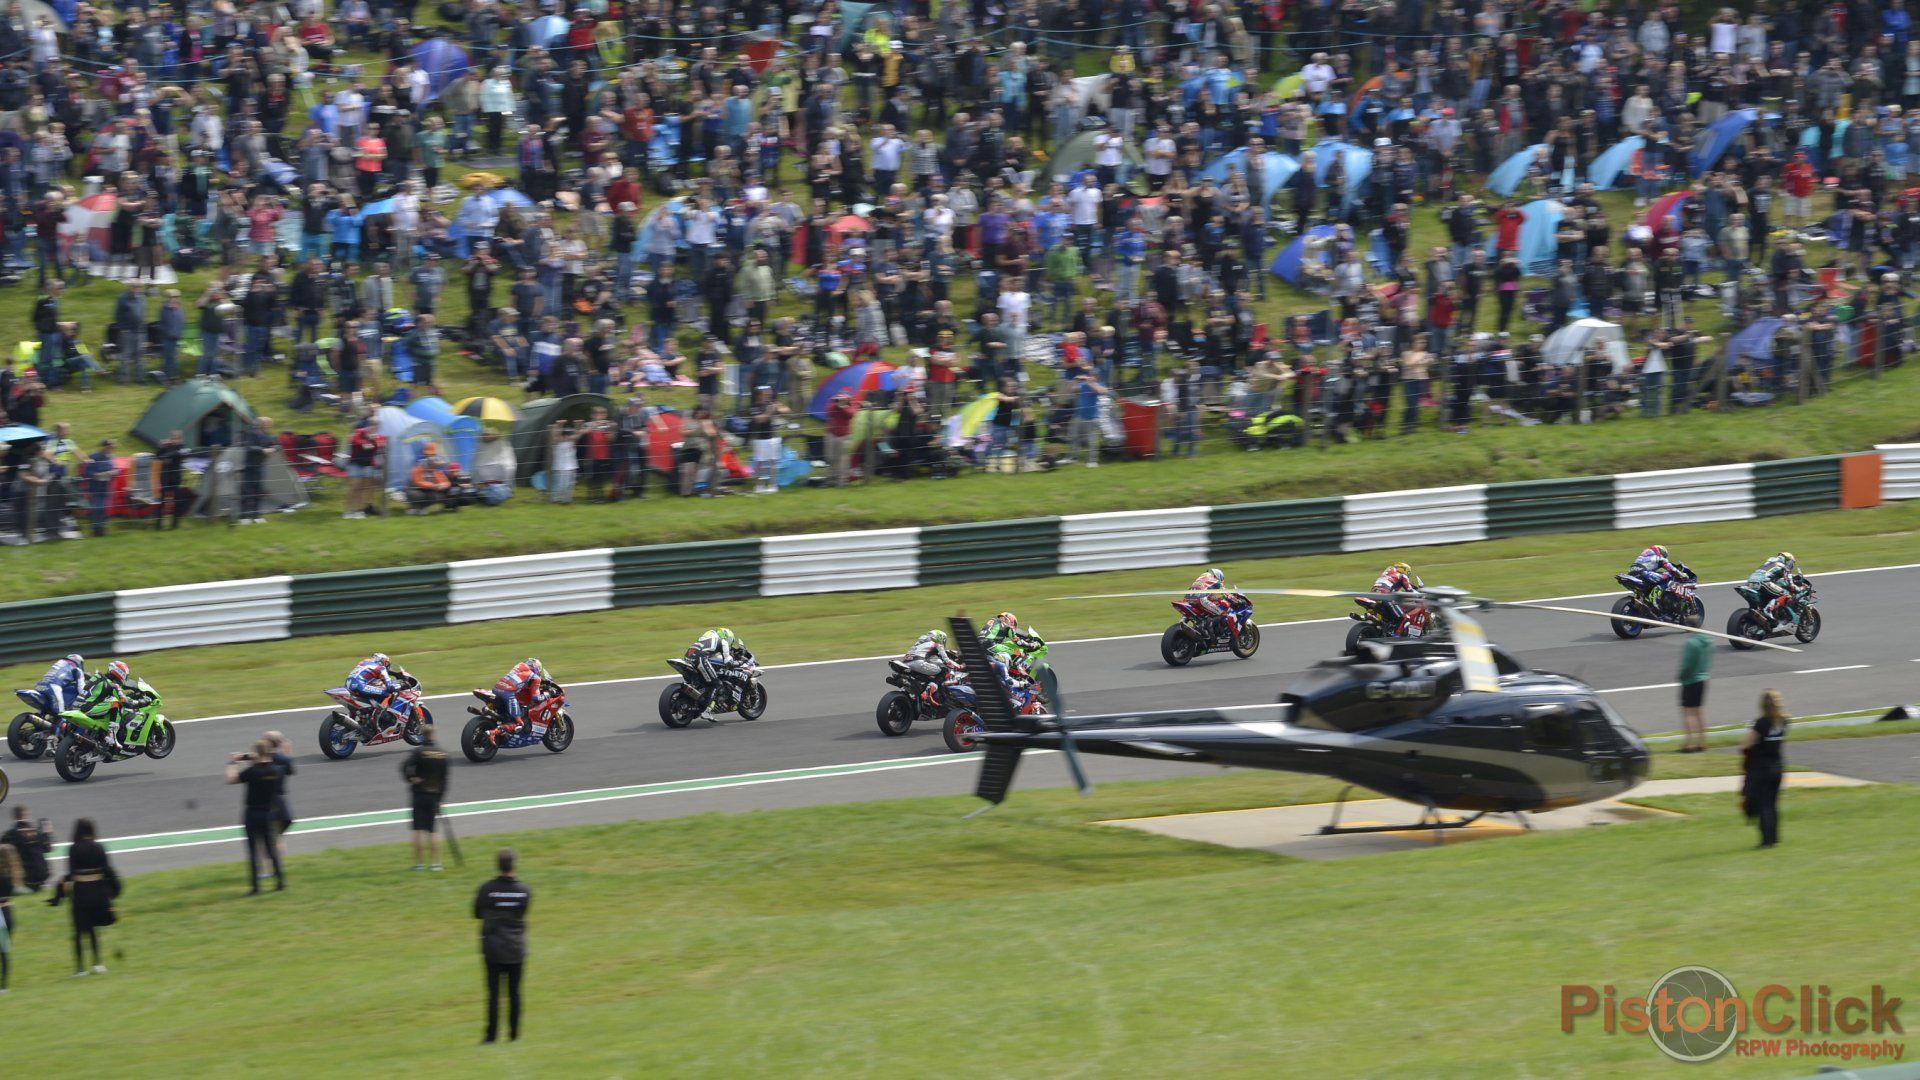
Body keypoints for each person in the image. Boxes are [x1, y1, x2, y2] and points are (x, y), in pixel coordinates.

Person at [474, 847, 531, 1044]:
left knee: (493, 993)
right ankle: (514, 1035)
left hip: (493, 947)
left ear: (497, 865)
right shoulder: (524, 890)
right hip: (516, 946)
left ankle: (491, 1036)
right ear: (514, 866)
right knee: (515, 992)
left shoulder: (487, 889)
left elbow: (476, 912)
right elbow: (522, 912)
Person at [48, 818, 119, 975]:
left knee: (79, 931)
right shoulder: (99, 848)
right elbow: (108, 871)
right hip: (98, 893)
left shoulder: (74, 849)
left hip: (80, 894)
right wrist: (114, 891)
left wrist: (58, 895)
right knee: (94, 930)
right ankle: (97, 963)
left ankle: (80, 968)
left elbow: (71, 874)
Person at [227, 739, 286, 893]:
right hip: (268, 813)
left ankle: (255, 887)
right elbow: (267, 762)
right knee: (271, 850)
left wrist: (232, 763)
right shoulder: (276, 771)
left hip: (252, 814)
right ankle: (280, 882)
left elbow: (231, 779)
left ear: (257, 753)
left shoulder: (252, 772)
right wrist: (256, 757)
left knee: (253, 852)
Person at [1741, 689, 1789, 848]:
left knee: (1764, 805)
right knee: (1773, 804)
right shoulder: (1784, 721)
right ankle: (1775, 837)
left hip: (1762, 768)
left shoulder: (1762, 723)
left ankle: (1766, 841)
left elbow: (1746, 744)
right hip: (1778, 766)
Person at [402, 725, 450, 871]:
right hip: (434, 795)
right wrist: (440, 799)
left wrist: (412, 778)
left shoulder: (419, 752)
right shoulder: (442, 754)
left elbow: (404, 766)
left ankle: (419, 864)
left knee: (418, 830)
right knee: (433, 831)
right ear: (433, 736)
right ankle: (436, 864)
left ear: (423, 736)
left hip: (419, 794)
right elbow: (444, 780)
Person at [689, 628, 756, 719]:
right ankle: (707, 711)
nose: (730, 645)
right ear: (728, 638)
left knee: (705, 683)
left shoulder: (707, 638)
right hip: (701, 659)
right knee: (717, 683)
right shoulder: (723, 642)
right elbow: (729, 662)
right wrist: (740, 662)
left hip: (689, 657)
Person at [345, 653, 412, 727]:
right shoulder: (381, 667)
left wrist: (394, 675)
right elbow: (390, 687)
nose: (387, 666)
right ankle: (380, 718)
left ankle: (361, 717)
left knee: (378, 692)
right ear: (382, 661)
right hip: (360, 686)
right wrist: (402, 685)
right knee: (388, 693)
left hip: (349, 686)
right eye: (386, 663)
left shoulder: (364, 663)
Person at [491, 658, 553, 736]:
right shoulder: (535, 678)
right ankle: (493, 733)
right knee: (519, 723)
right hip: (508, 694)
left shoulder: (520, 667)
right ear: (537, 669)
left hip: (496, 689)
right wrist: (547, 695)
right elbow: (535, 698)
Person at [1746, 552, 1807, 629]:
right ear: (1787, 560)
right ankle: (1768, 609)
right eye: (1791, 562)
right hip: (1764, 582)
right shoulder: (1784, 566)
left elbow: (1771, 575)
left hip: (1750, 582)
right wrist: (1800, 589)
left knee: (1769, 596)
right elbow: (1790, 585)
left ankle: (1761, 614)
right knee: (1786, 594)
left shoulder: (1769, 563)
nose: (1791, 565)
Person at [1, 807, 52, 894]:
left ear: (14, 817)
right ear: (27, 816)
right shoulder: (37, 832)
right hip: (43, 873)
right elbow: (48, 848)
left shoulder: (11, 834)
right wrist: (47, 834)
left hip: (26, 877)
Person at [1677, 632, 1712, 753]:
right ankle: (1702, 742)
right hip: (1703, 678)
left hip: (1691, 680)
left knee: (1688, 712)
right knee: (1699, 711)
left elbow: (1687, 664)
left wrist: (1681, 677)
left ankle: (1690, 744)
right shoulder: (1708, 641)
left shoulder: (1691, 642)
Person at [1625, 544, 1694, 605]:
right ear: (1660, 551)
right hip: (1643, 573)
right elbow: (1669, 567)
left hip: (1632, 574)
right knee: (1667, 576)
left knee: (1656, 578)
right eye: (1664, 554)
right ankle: (1654, 599)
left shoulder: (1644, 557)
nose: (1665, 557)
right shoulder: (1657, 557)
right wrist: (1681, 574)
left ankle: (1641, 600)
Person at [1371, 562, 1418, 630]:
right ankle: (1396, 636)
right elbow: (1409, 590)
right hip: (1385, 596)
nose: (1408, 575)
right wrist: (1418, 596)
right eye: (1408, 573)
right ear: (1404, 570)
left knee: (1389, 617)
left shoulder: (1386, 575)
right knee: (1402, 618)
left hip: (1372, 595)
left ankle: (1385, 626)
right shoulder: (1402, 576)